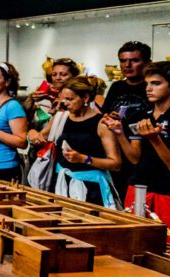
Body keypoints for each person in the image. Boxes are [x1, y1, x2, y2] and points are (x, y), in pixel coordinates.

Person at [103, 61, 170, 244]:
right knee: (133, 242)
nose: (148, 88)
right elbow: (134, 158)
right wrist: (120, 134)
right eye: (147, 83)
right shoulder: (140, 116)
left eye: (156, 83)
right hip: (139, 186)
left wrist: (154, 139)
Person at [28, 76, 121, 208]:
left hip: (92, 188)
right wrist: (31, 134)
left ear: (85, 98)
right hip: (61, 184)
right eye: (62, 98)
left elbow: (115, 163)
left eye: (69, 99)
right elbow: (39, 138)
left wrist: (84, 159)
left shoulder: (101, 123)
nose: (64, 103)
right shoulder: (60, 117)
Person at [102, 41, 152, 201]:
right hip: (117, 153)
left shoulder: (153, 87)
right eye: (123, 61)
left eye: (134, 60)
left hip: (147, 155)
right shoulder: (116, 87)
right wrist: (109, 117)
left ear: (146, 63)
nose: (127, 65)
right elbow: (104, 115)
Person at [23, 57, 80, 130]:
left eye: (63, 75)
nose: (58, 78)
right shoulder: (43, 96)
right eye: (54, 74)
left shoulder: (79, 100)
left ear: (74, 77)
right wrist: (30, 99)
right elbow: (23, 118)